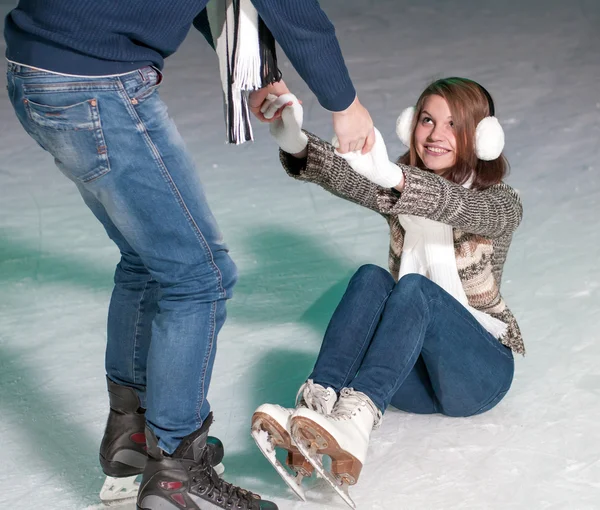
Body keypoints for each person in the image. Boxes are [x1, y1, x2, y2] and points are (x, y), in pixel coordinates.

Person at [3, 1, 376, 509]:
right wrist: (345, 103)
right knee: (199, 278)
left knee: (145, 255)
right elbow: (295, 10)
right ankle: (177, 468)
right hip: (96, 85)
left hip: (37, 73)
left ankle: (132, 436)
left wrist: (259, 74)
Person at [252, 77, 524, 504]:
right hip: (410, 379)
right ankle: (318, 409)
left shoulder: (500, 203)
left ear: (483, 137)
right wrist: (296, 140)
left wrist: (396, 177)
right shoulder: (398, 190)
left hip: (479, 374)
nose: (436, 135)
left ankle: (355, 427)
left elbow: (454, 205)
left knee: (413, 288)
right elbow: (345, 175)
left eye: (454, 125)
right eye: (427, 120)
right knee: (371, 277)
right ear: (409, 126)